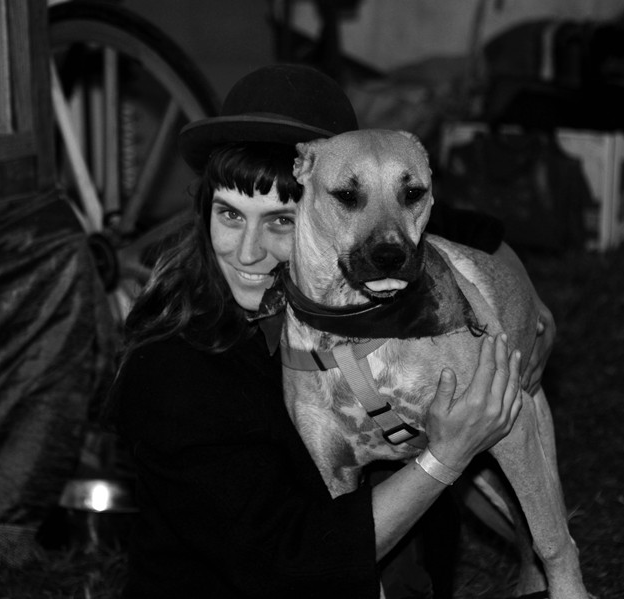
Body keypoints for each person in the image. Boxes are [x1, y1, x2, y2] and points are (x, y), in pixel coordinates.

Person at [104, 64, 552, 598]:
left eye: (282, 221)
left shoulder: (359, 229)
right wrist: (447, 455)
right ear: (204, 211)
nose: (248, 253)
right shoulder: (176, 370)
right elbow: (287, 564)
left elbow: (459, 225)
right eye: (229, 215)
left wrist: (527, 305)